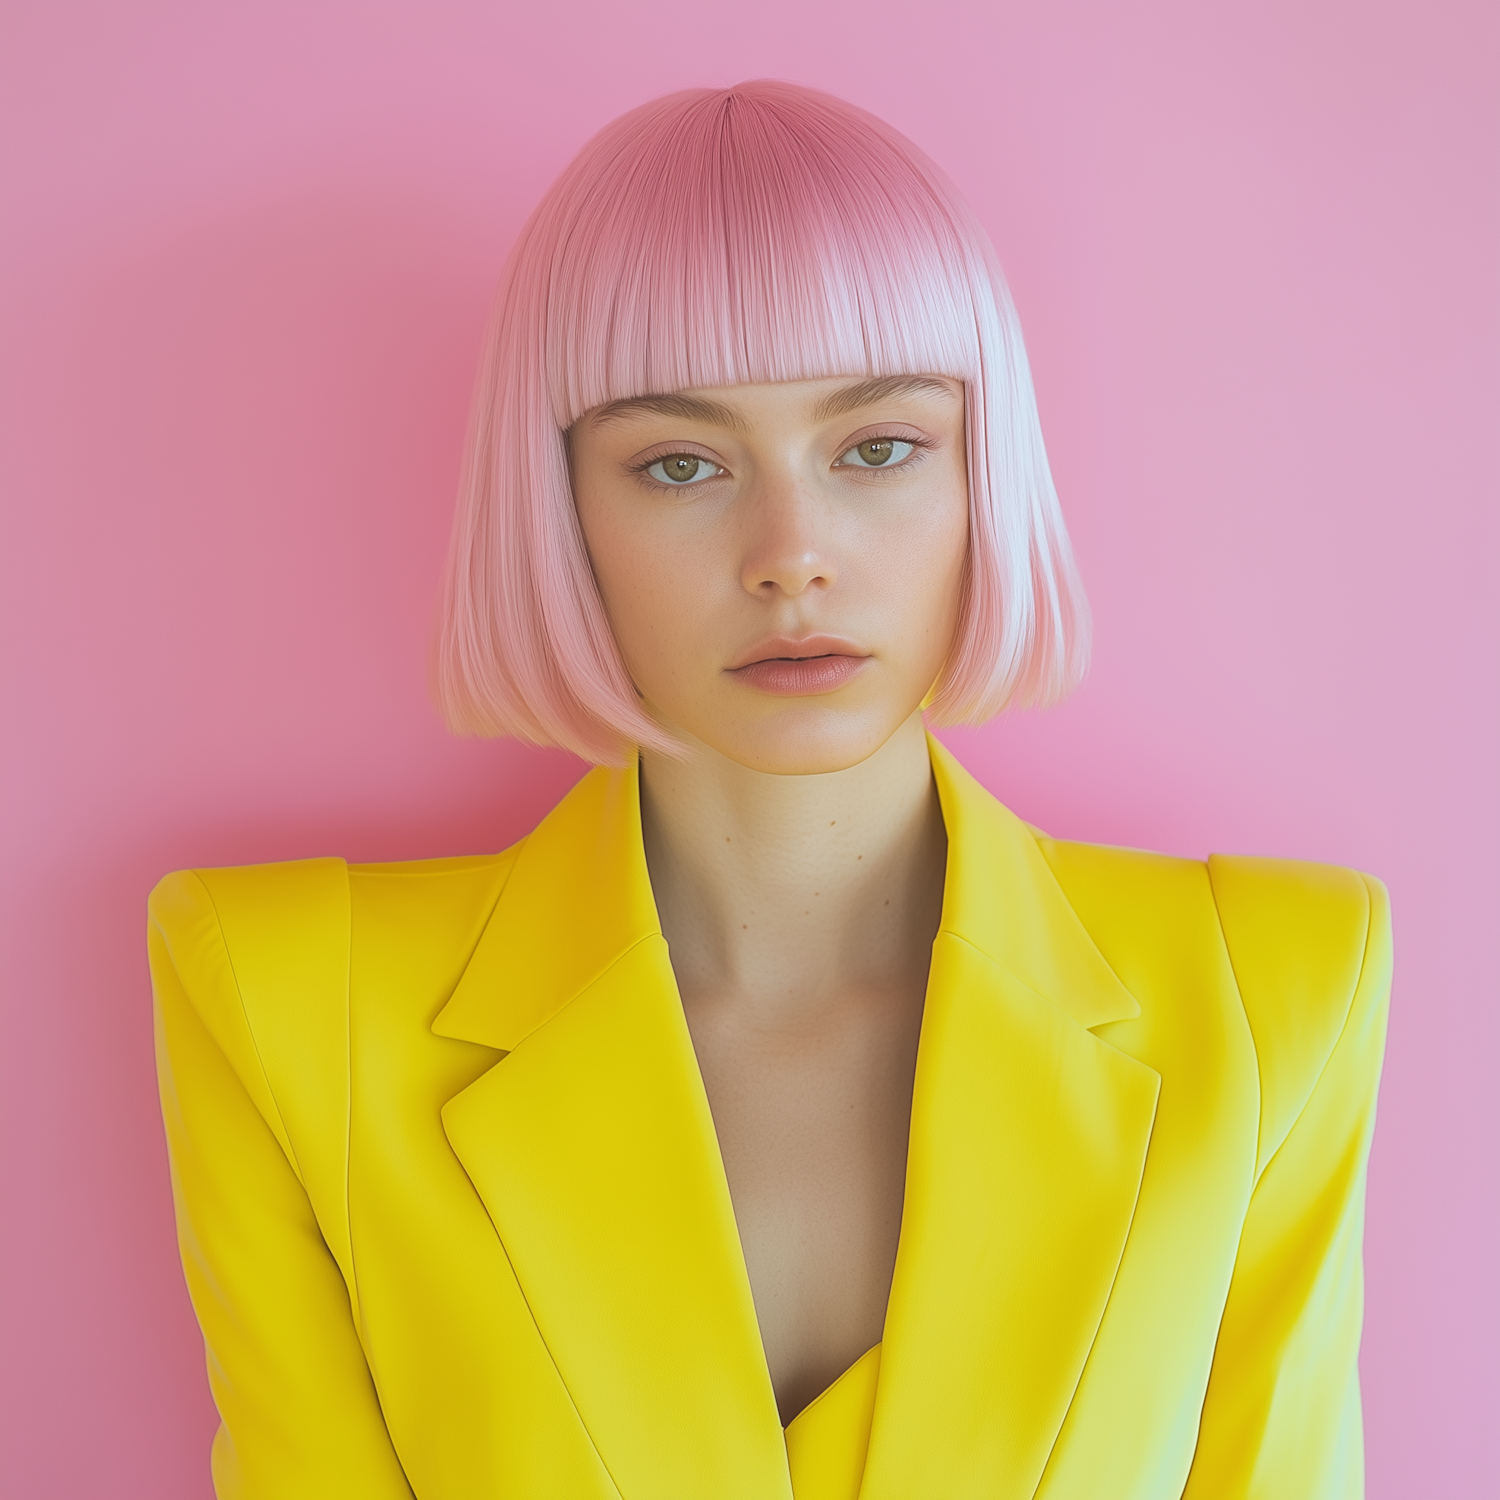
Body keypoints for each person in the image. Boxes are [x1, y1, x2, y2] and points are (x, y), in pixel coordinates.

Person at [149, 81, 1390, 1500]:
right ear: (561, 513)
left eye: (878, 447)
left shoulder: (1273, 988)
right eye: (679, 464)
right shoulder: (289, 998)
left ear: (984, 476)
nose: (791, 553)